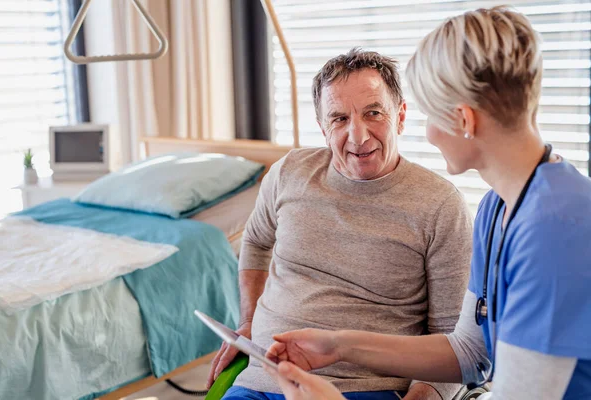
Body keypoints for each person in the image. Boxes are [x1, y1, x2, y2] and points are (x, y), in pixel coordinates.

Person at [264, 6, 591, 400]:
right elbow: (470, 353)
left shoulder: (558, 229)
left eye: (429, 114)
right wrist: (338, 346)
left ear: (464, 120)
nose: (430, 135)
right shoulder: (496, 208)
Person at [207, 48, 474, 400]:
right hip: (263, 380)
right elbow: (256, 243)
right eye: (339, 119)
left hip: (368, 388)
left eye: (373, 113)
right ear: (322, 127)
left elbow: (454, 342)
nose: (358, 136)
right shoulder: (289, 173)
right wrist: (248, 323)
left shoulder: (440, 204)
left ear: (401, 116)